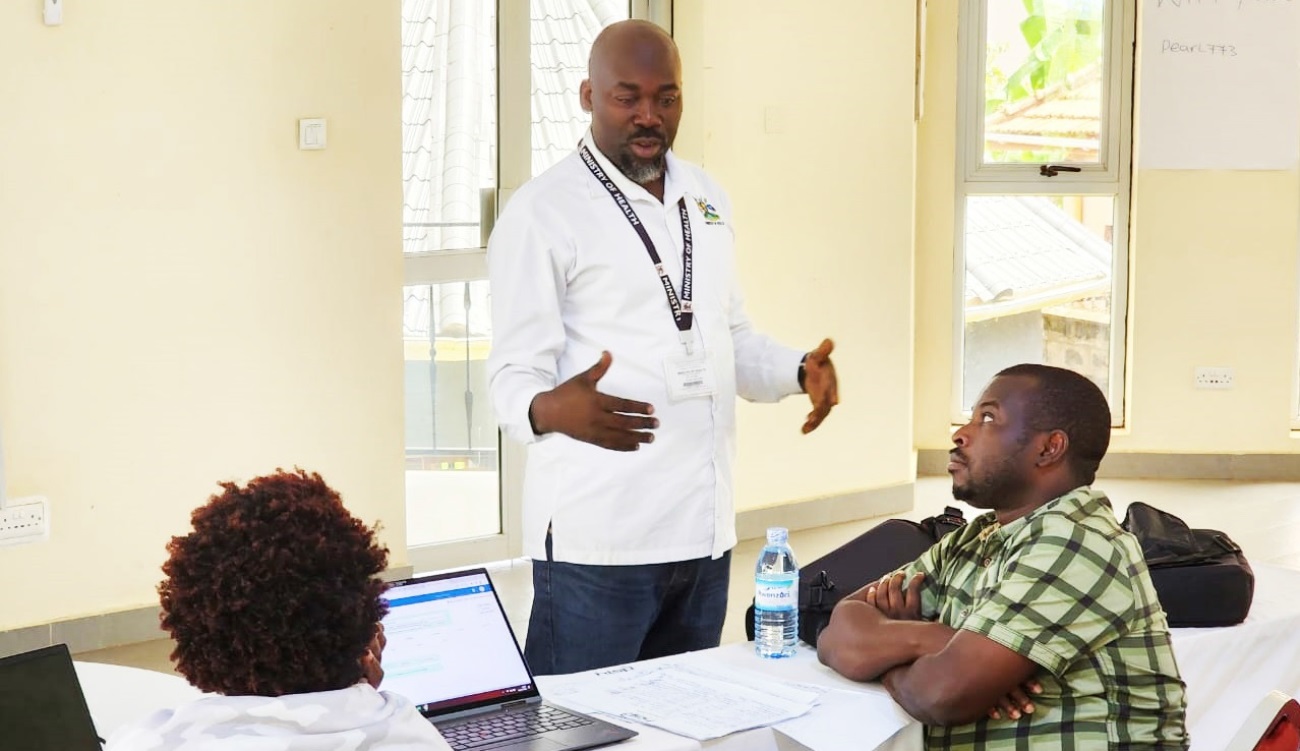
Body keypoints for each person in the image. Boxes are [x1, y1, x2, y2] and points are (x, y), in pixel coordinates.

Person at [486, 19, 839, 676]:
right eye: (628, 97)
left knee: (680, 725)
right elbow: (510, 373)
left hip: (702, 536)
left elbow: (730, 338)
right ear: (589, 96)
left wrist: (796, 369)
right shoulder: (543, 212)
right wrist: (548, 408)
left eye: (666, 97)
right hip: (601, 542)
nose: (649, 115)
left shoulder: (706, 197)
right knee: (573, 727)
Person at [817, 364, 1189, 750]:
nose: (960, 435)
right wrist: (933, 640)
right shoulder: (975, 539)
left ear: (1048, 448)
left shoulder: (1076, 541)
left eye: (989, 418)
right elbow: (839, 632)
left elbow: (940, 695)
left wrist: (892, 655)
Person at [106, 469, 451, 751]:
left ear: (190, 627)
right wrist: (352, 698)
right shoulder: (413, 734)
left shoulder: (151, 741)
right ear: (364, 626)